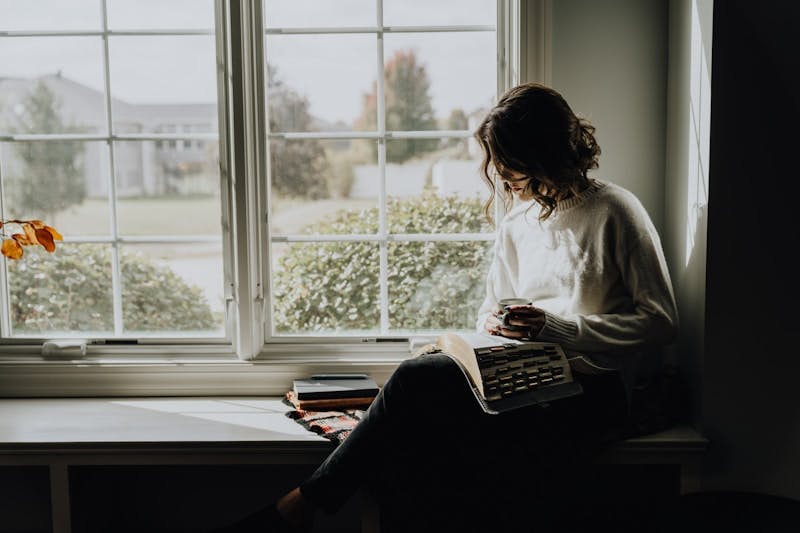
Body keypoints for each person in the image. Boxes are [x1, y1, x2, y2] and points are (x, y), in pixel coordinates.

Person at [212, 82, 678, 533]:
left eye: (511, 163)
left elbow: (660, 322)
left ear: (545, 154)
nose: (502, 174)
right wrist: (499, 324)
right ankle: (304, 506)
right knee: (412, 441)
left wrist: (557, 328)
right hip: (519, 379)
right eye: (499, 163)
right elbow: (488, 311)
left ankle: (301, 505)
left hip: (592, 392)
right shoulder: (517, 222)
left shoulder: (615, 210)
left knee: (417, 390)